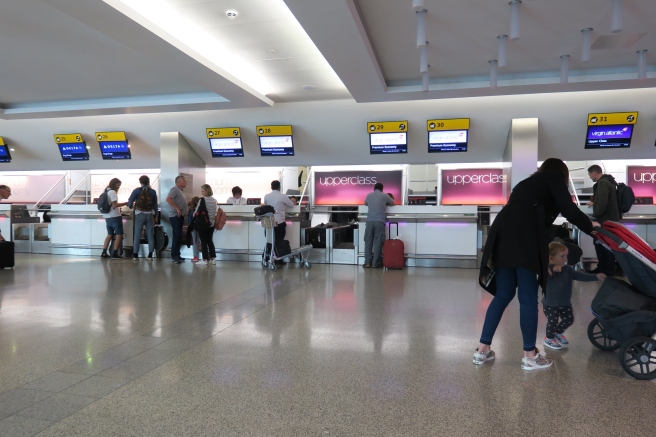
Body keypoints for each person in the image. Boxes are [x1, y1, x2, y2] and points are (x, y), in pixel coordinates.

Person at [475, 158, 599, 370]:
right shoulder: (554, 178)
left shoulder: (526, 183)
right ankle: (530, 355)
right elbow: (569, 209)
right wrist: (591, 226)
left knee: (503, 294)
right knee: (528, 299)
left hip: (502, 236)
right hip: (525, 239)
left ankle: (482, 350)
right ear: (562, 172)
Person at [542, 242, 605, 350]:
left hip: (565, 302)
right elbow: (545, 273)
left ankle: (557, 333)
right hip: (551, 304)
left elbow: (580, 276)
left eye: (566, 256)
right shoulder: (547, 269)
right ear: (551, 258)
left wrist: (595, 277)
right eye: (562, 256)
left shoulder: (568, 270)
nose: (565, 259)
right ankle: (549, 338)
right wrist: (552, 267)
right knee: (552, 321)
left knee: (569, 319)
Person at [586, 164, 621, 275]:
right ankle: (605, 268)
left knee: (601, 243)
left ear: (594, 173)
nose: (590, 177)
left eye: (590, 175)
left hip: (604, 220)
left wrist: (596, 215)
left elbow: (602, 202)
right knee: (606, 244)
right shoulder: (609, 182)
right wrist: (594, 203)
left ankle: (605, 269)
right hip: (610, 220)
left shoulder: (602, 183)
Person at [363, 183, 395, 268]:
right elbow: (393, 204)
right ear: (382, 189)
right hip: (379, 222)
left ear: (374, 188)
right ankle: (375, 263)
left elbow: (365, 203)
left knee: (368, 242)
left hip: (369, 221)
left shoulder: (369, 195)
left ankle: (367, 262)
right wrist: (385, 203)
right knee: (378, 243)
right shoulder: (385, 196)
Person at [127, 175, 158, 261]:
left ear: (140, 182)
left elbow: (130, 202)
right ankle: (150, 255)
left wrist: (130, 206)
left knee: (137, 234)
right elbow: (155, 204)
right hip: (150, 214)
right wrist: (155, 215)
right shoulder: (152, 191)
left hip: (139, 214)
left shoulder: (137, 191)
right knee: (150, 234)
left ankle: (135, 255)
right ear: (148, 181)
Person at [100, 178, 127, 259]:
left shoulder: (105, 191)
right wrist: (126, 203)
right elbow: (114, 205)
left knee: (109, 234)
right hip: (115, 216)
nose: (119, 187)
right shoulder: (113, 192)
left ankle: (104, 252)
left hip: (107, 216)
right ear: (114, 184)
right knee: (119, 234)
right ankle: (115, 253)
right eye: (118, 185)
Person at [165, 175, 188, 264]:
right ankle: (174, 256)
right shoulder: (174, 189)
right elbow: (168, 199)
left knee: (178, 236)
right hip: (175, 216)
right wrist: (177, 208)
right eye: (184, 181)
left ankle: (177, 254)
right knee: (176, 235)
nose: (186, 182)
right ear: (179, 182)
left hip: (180, 216)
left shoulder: (180, 191)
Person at [195, 184, 218, 266]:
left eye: (203, 191)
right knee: (210, 241)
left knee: (203, 241)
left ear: (207, 191)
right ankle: (213, 258)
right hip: (211, 223)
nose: (202, 192)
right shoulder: (214, 200)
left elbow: (197, 211)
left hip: (203, 224)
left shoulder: (202, 200)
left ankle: (204, 259)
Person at [187, 196, 201, 262]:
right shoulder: (201, 210)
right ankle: (205, 256)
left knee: (195, 242)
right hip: (200, 227)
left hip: (193, 227)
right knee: (202, 241)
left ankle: (196, 256)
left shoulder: (191, 211)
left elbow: (189, 221)